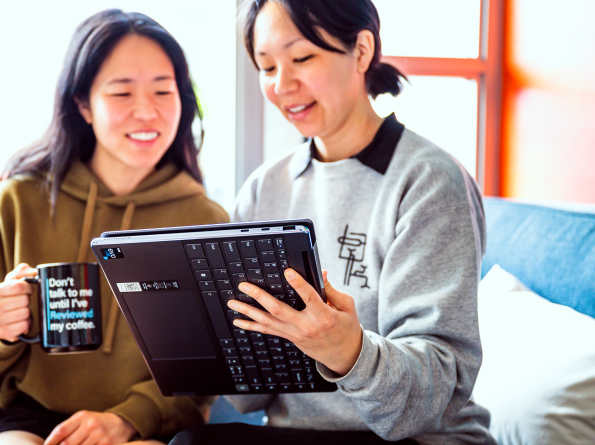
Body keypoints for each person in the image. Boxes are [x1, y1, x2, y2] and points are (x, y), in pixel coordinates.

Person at [170, 1, 496, 444]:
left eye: (302, 58)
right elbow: (249, 398)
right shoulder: (267, 187)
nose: (282, 85)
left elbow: (435, 389)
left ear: (361, 50)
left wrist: (350, 352)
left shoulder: (428, 181)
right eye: (267, 67)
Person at [0, 9, 229, 445]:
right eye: (121, 93)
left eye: (162, 91)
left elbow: (208, 374)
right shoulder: (18, 200)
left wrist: (129, 419)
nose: (146, 112)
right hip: (28, 419)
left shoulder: (205, 221)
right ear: (83, 105)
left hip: (142, 427)